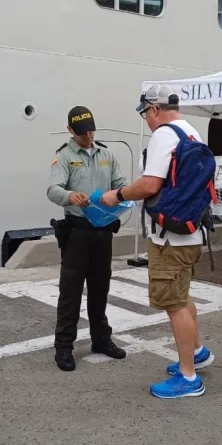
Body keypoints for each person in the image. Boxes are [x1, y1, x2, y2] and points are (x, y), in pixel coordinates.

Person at [101, 85, 215, 399]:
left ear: (153, 108)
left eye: (144, 113)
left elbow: (151, 184)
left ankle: (189, 378)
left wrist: (118, 194)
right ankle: (197, 352)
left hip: (170, 238)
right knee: (183, 295)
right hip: (191, 232)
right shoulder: (191, 132)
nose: (146, 120)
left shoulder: (165, 135)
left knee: (173, 304)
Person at [46, 105, 129, 372]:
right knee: (70, 292)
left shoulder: (107, 154)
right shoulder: (64, 157)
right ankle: (63, 348)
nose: (88, 136)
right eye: (82, 133)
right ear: (71, 131)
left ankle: (101, 339)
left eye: (91, 130)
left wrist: (118, 194)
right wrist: (70, 196)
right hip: (77, 232)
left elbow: (120, 183)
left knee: (100, 287)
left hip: (102, 230)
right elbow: (53, 189)